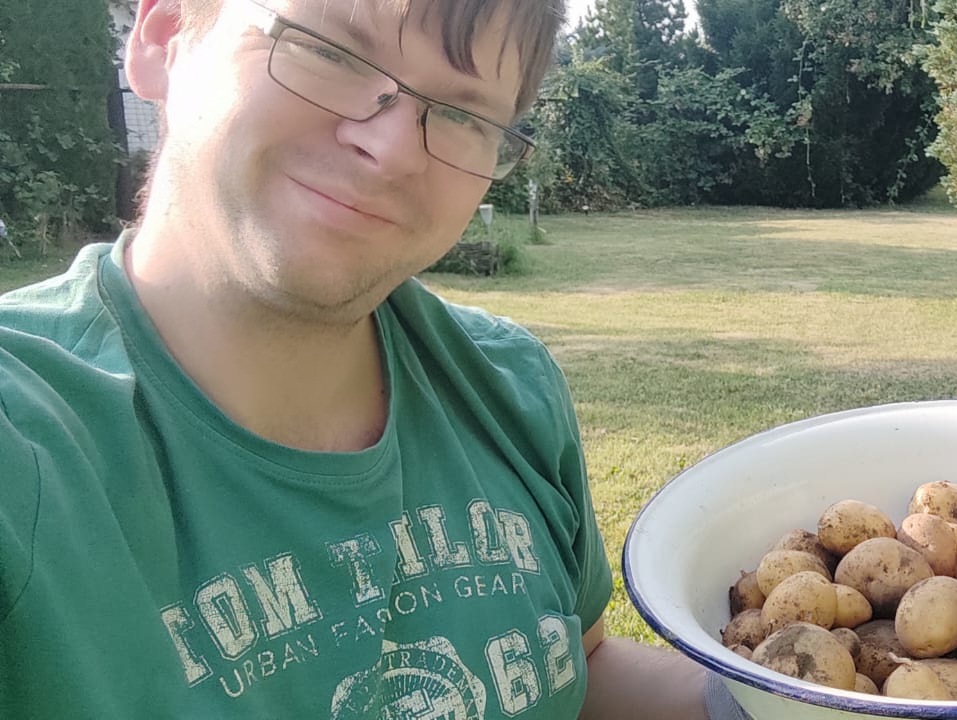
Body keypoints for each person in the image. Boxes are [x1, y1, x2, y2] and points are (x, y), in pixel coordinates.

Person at [0, 0, 747, 717]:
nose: (389, 151)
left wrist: (781, 701)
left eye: (461, 113)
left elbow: (577, 676)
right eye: (330, 52)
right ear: (163, 36)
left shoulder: (507, 387)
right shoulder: (25, 436)